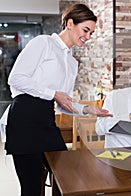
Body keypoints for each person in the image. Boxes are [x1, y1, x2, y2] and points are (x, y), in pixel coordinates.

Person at [1, 4, 112, 195]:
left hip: (47, 120)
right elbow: (16, 78)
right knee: (32, 189)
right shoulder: (43, 43)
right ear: (70, 23)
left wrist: (87, 110)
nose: (88, 36)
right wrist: (53, 94)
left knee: (66, 180)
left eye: (91, 33)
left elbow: (64, 103)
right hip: (24, 119)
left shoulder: (72, 62)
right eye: (85, 30)